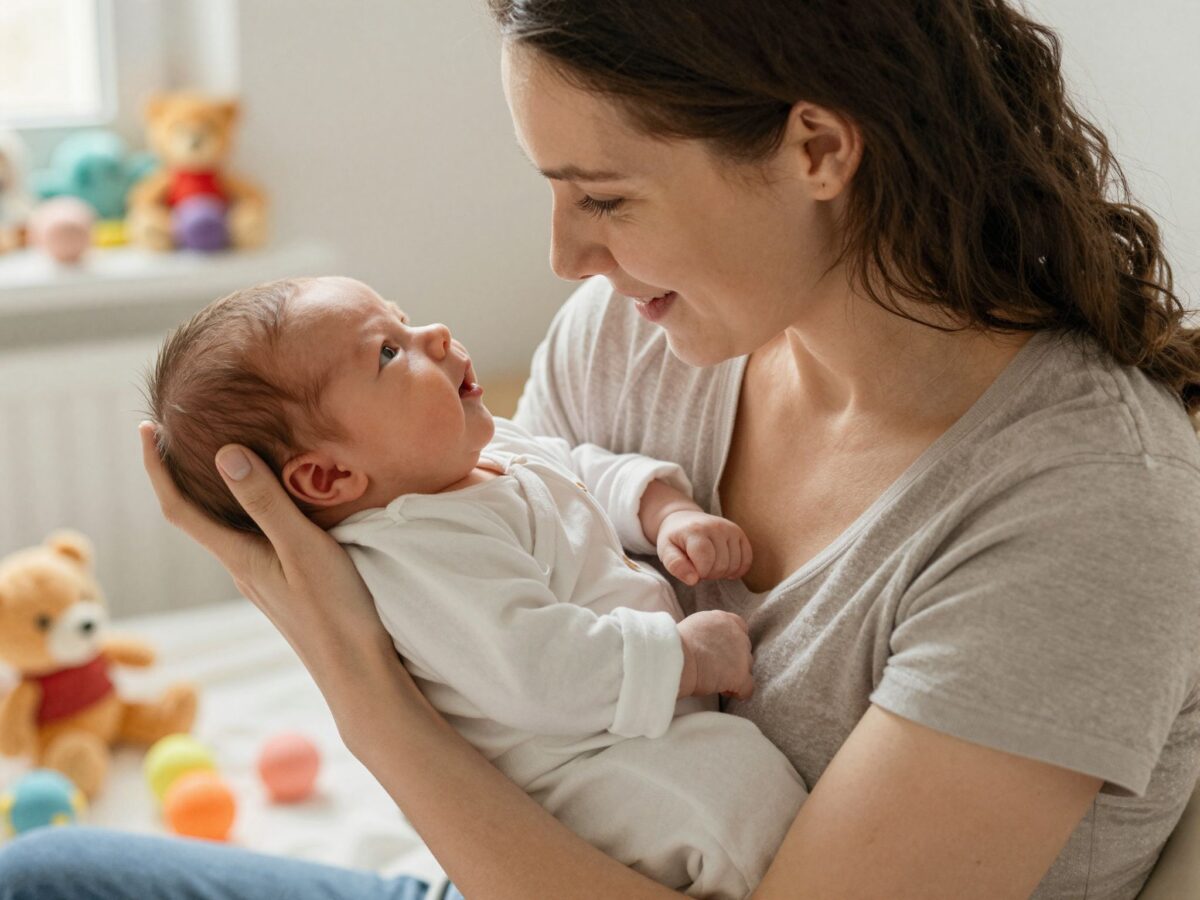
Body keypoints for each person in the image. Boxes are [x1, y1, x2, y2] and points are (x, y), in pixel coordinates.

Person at [2, 1, 1199, 898]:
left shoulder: (1083, 512)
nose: (569, 256)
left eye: (607, 197)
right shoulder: (632, 338)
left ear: (820, 151)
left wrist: (360, 691)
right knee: (47, 875)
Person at [143, 273, 806, 897]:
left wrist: (662, 510)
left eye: (402, 320)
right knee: (739, 800)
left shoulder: (476, 455)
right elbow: (540, 669)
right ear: (327, 478)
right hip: (579, 774)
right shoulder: (415, 552)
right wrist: (686, 659)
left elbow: (575, 469)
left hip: (627, 733)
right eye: (387, 353)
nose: (432, 334)